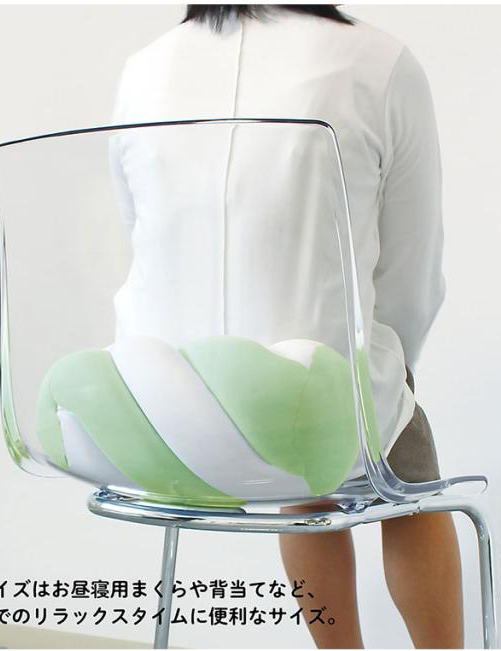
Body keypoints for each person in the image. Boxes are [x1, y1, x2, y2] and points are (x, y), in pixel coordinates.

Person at [109, 5, 463, 648]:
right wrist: (387, 367)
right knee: (384, 454)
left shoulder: (143, 69)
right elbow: (415, 271)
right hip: (310, 419)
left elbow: (142, 238)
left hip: (156, 424)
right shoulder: (377, 62)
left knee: (301, 425)